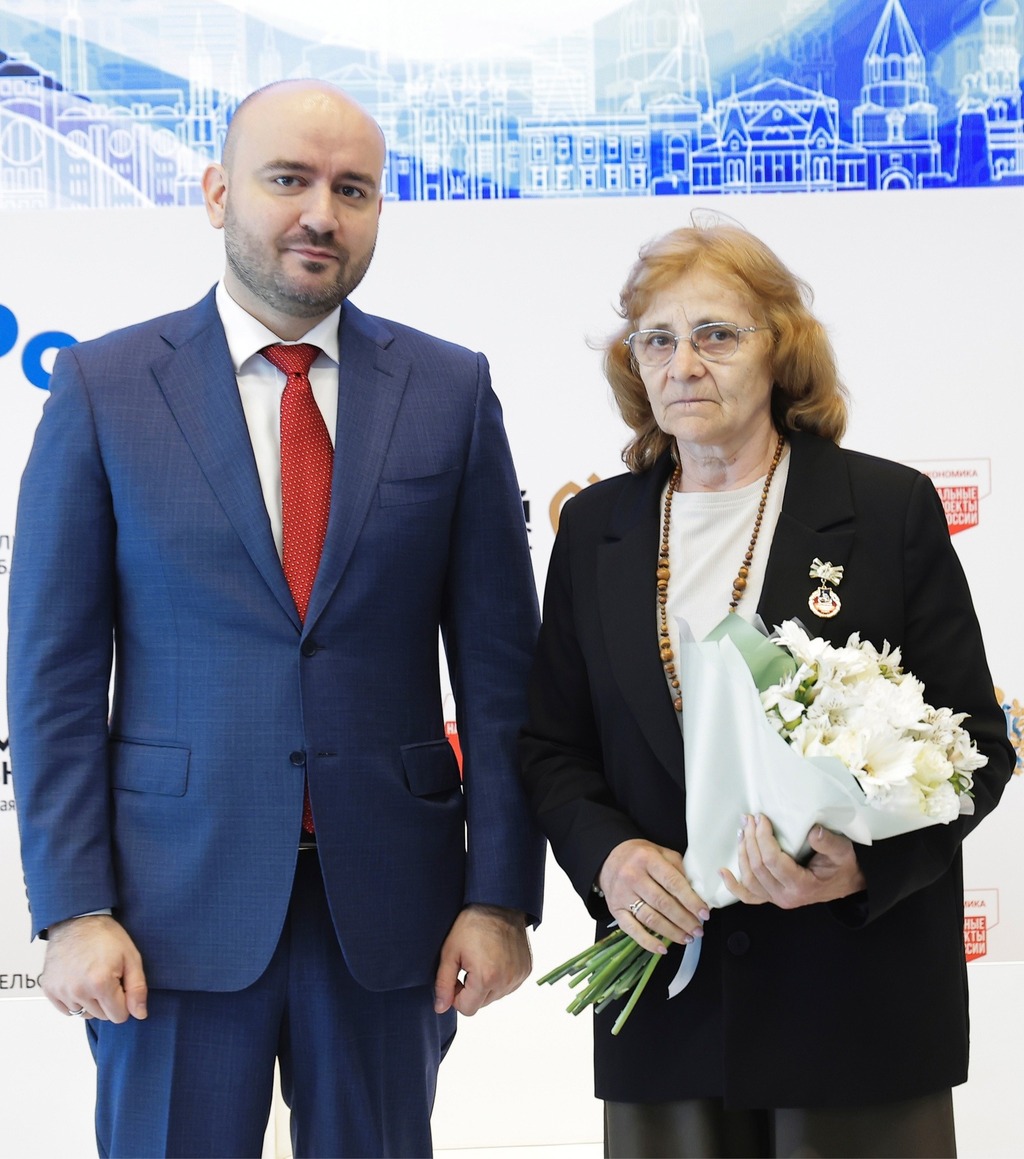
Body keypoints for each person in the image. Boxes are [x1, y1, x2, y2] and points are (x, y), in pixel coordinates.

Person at [8, 79, 544, 1159]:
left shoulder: (450, 389)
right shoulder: (106, 387)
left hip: (390, 913)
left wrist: (500, 897)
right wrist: (74, 908)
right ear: (217, 193)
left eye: (353, 190)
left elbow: (502, 678)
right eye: (288, 179)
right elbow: (52, 676)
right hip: (164, 917)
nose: (320, 214)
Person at [520, 222, 1013, 1159]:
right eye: (658, 339)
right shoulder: (593, 530)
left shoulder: (889, 509)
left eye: (717, 334)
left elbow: (979, 746)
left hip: (855, 1004)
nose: (684, 364)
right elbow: (552, 745)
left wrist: (863, 867)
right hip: (666, 1003)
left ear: (781, 350)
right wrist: (611, 859)